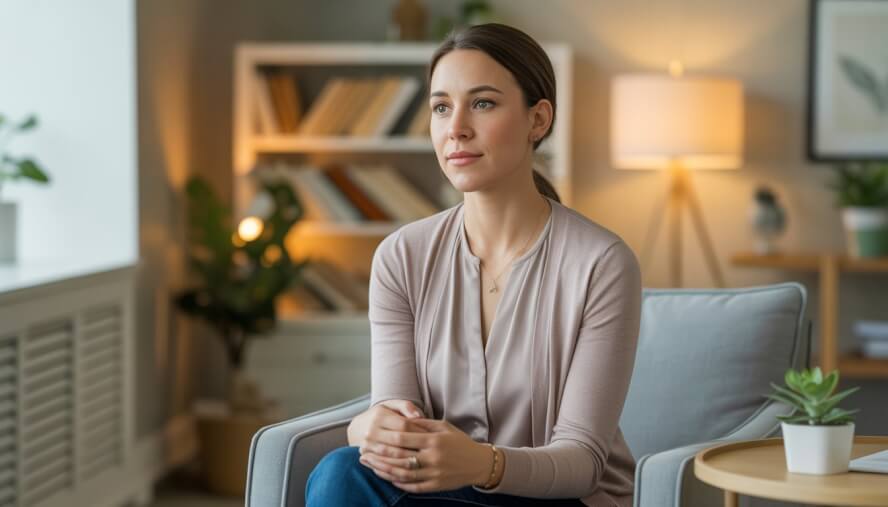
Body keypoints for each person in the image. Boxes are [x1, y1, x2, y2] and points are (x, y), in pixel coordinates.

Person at [306, 23, 641, 507]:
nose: (456, 127)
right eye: (441, 107)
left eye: (482, 103)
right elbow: (394, 415)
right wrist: (371, 424)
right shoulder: (401, 257)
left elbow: (582, 462)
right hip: (440, 492)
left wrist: (484, 464)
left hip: (558, 498)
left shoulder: (603, 264)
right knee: (341, 473)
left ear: (538, 120)